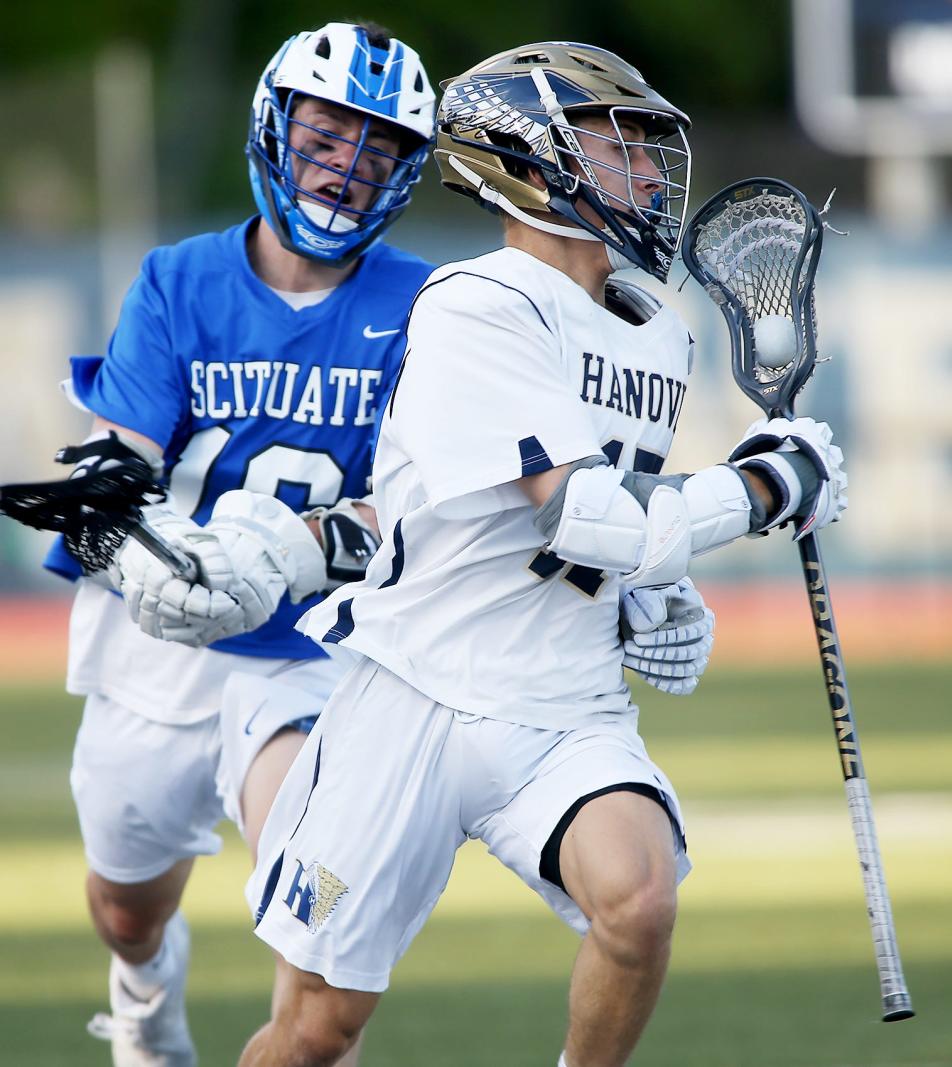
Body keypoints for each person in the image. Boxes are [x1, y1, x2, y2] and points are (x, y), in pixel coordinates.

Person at [137, 41, 845, 1067]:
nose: (649, 173)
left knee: (639, 901)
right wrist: (763, 489)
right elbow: (584, 516)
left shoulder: (658, 326)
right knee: (315, 1030)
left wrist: (656, 594)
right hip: (415, 692)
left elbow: (625, 519)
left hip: (559, 701)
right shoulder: (477, 304)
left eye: (648, 149)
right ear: (528, 160)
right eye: (618, 147)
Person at [44, 22, 435, 1066]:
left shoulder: (428, 307)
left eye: (376, 150)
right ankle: (140, 992)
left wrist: (305, 549)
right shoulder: (179, 280)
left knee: (317, 907)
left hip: (319, 650)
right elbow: (116, 466)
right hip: (161, 646)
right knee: (126, 905)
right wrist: (140, 550)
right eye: (323, 137)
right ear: (274, 129)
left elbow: (426, 506)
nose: (345, 168)